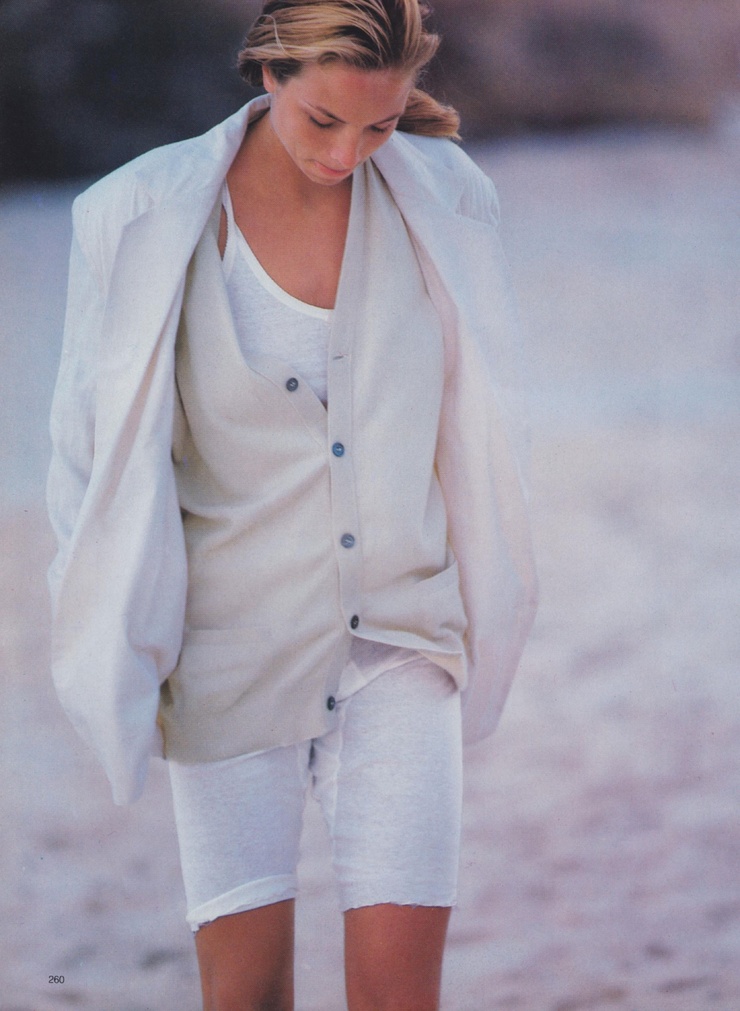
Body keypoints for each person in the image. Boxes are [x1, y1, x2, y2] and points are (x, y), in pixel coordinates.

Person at [46, 1, 537, 1007]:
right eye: (323, 119)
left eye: (379, 125)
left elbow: (480, 424)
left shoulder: (448, 200)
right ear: (270, 73)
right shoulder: (138, 216)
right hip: (227, 655)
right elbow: (85, 460)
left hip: (401, 641)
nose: (347, 154)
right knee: (247, 995)